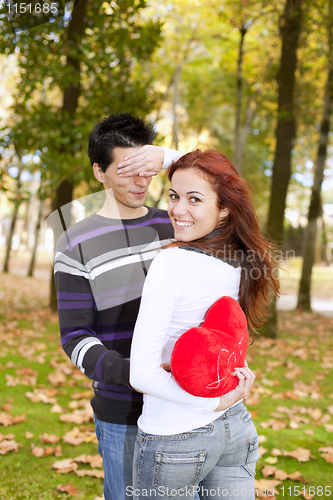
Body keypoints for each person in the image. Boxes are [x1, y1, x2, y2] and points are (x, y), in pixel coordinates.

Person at [130, 149, 281, 500]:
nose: (177, 210)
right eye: (174, 196)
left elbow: (141, 375)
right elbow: (227, 339)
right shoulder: (239, 260)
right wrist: (168, 157)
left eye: (194, 199)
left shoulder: (171, 263)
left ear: (224, 208)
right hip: (236, 427)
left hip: (175, 437)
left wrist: (206, 405)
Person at [53, 113, 181, 500]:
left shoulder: (178, 224)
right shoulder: (75, 242)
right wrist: (134, 373)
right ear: (99, 172)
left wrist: (174, 157)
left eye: (148, 169)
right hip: (122, 410)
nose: (142, 182)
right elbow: (75, 335)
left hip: (185, 402)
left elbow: (228, 195)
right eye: (128, 171)